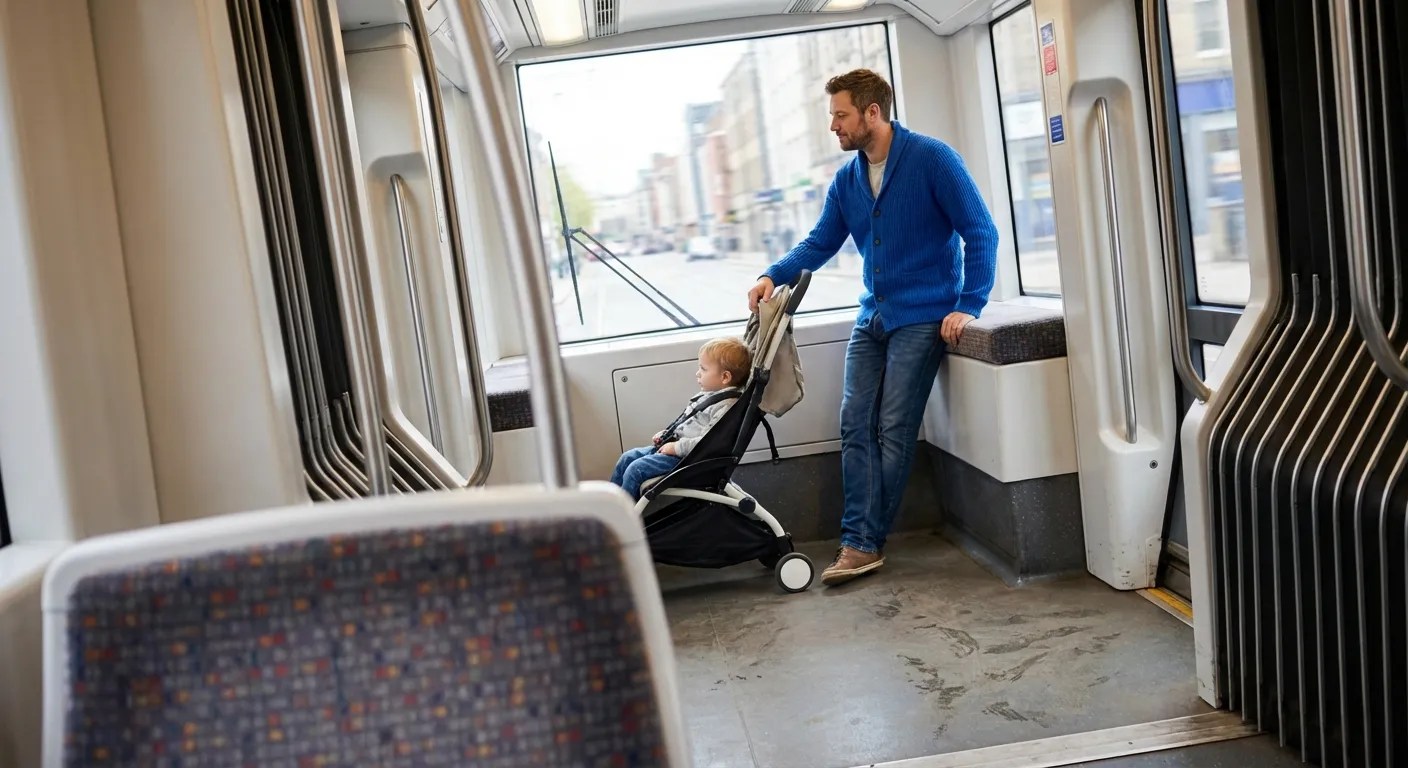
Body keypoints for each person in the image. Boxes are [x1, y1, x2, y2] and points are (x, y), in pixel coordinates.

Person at [747, 68, 998, 586]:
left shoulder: (932, 159)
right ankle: (860, 539)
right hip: (874, 316)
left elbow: (981, 230)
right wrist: (772, 275)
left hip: (924, 316)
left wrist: (969, 303)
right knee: (853, 423)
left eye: (840, 115)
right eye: (833, 116)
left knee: (892, 428)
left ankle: (861, 542)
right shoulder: (848, 179)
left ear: (872, 113)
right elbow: (820, 243)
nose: (833, 126)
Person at [610, 337, 752, 500]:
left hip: (688, 460)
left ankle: (623, 517)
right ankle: (612, 503)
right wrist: (668, 433)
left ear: (725, 377)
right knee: (627, 457)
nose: (698, 373)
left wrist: (675, 448)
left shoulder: (725, 407)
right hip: (678, 448)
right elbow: (689, 422)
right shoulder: (711, 396)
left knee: (636, 469)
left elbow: (707, 443)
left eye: (703, 369)